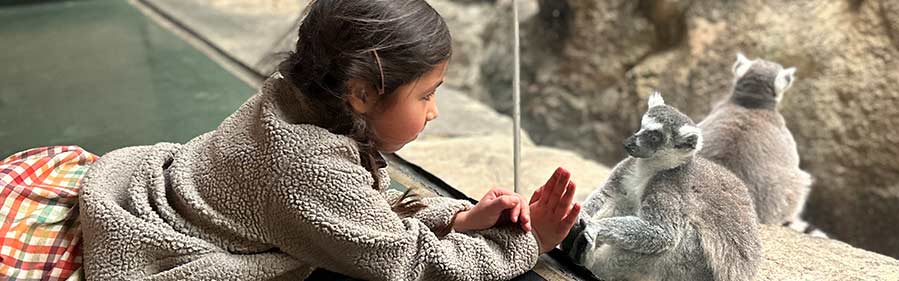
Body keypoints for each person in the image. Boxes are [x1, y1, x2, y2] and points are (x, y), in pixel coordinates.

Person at [0, 0, 581, 280]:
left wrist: (458, 220)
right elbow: (402, 262)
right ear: (359, 93)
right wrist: (523, 247)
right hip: (161, 228)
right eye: (427, 95)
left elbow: (360, 216)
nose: (433, 113)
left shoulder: (293, 94)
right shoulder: (308, 168)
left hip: (165, 183)